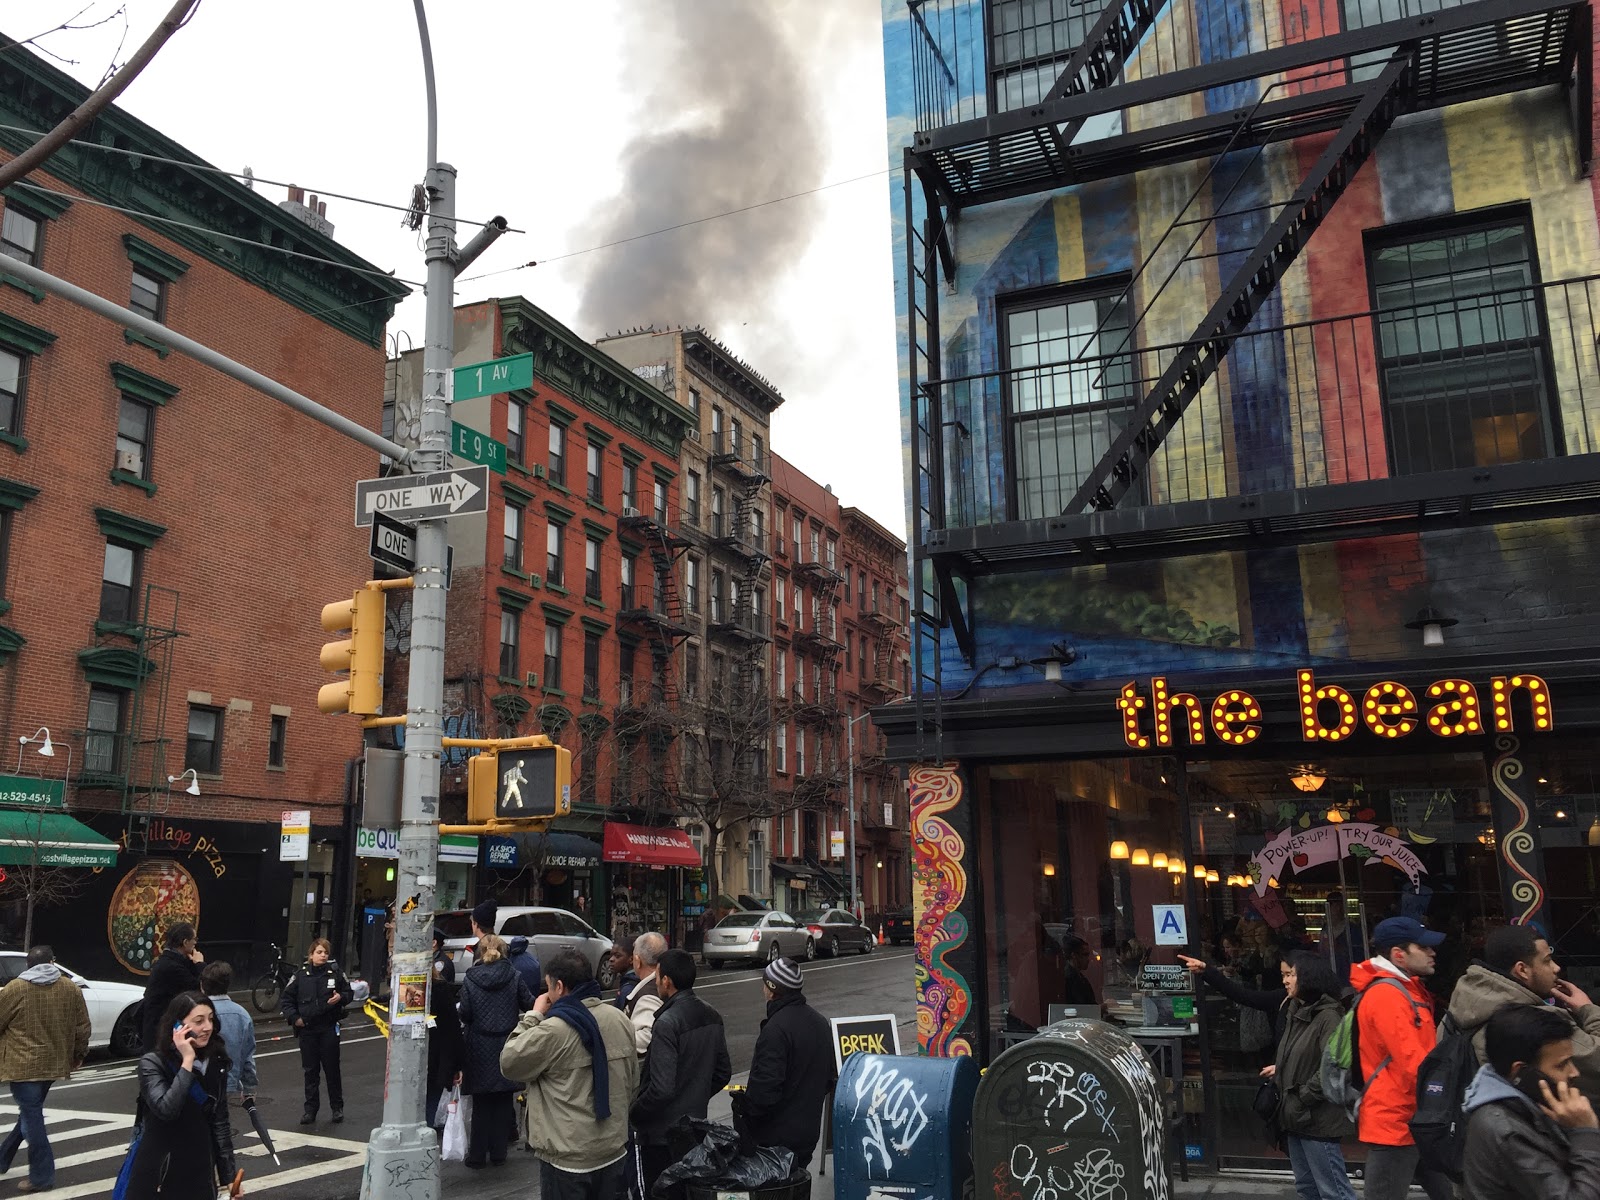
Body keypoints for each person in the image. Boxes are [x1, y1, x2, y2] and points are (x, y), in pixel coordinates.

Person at [500, 949, 640, 1200]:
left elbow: (510, 1062)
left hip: (568, 1158)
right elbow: (633, 1081)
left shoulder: (554, 1029)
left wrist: (533, 1015)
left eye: (549, 986)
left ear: (560, 986)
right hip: (612, 1149)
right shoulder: (619, 1019)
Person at [1352, 916, 1449, 1200]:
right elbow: (1415, 1064)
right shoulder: (1388, 995)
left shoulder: (1401, 989)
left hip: (1411, 1116)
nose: (1433, 953)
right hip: (1396, 1121)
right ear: (1398, 954)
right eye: (1424, 947)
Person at [1461, 1004, 1600, 1200]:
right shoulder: (1505, 1130)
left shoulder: (1537, 1105)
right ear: (1522, 1072)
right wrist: (1585, 1132)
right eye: (1561, 1065)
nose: (1574, 1073)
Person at [1449, 925, 1600, 1104]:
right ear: (1522, 970)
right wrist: (1588, 1009)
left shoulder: (1456, 1012)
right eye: (1547, 961)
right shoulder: (1538, 1020)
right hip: (1537, 1126)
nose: (1556, 968)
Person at [632, 949, 732, 1194]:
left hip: (661, 1135)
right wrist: (697, 1095)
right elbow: (723, 1072)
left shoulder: (667, 1023)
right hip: (694, 1129)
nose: (656, 983)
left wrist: (635, 1113)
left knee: (659, 1191)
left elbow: (661, 1089)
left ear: (667, 981)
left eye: (657, 977)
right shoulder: (711, 1014)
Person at [127, 992, 239, 1200]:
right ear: (177, 1026)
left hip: (200, 1167)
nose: (207, 1027)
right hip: (161, 1169)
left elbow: (220, 1121)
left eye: (210, 1019)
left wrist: (228, 1177)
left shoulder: (216, 1062)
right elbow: (166, 1109)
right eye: (199, 1021)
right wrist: (187, 1061)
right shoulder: (152, 1063)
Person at [0, 946, 90, 1193]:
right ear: (52, 962)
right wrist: (78, 1054)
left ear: (28, 965)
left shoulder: (15, 989)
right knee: (31, 1113)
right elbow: (82, 1026)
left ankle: (42, 1176)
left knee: (32, 1117)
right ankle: (3, 1158)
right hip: (54, 1063)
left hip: (22, 1065)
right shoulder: (70, 988)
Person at [1266, 954, 1356, 1200]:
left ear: (1309, 977)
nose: (1285, 981)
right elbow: (1302, 1055)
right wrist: (1281, 1069)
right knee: (1307, 1188)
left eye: (1291, 974)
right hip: (1295, 1117)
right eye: (1284, 975)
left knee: (1333, 1191)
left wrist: (1303, 1097)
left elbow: (1336, 1065)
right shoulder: (1295, 1011)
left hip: (1316, 1118)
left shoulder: (1328, 1017)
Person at [739, 957, 835, 1170]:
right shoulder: (820, 1023)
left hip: (775, 1138)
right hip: (807, 1133)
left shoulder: (776, 1030)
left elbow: (764, 1091)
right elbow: (829, 1078)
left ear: (772, 989)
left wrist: (748, 1121)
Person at [459, 932, 534, 1167]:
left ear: (481, 953)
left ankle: (477, 1154)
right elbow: (529, 1003)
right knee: (503, 1101)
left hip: (479, 1045)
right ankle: (499, 1152)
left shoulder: (471, 978)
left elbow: (466, 1013)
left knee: (481, 1104)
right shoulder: (514, 975)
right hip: (506, 1043)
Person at [279, 937, 352, 1125]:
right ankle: (310, 1110)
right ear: (311, 955)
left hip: (328, 1027)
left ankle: (337, 1108)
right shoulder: (300, 975)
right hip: (308, 1030)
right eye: (319, 952)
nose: (323, 955)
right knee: (310, 1071)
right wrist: (296, 1019)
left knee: (332, 1070)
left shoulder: (334, 973)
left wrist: (340, 998)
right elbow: (286, 1000)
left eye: (326, 952)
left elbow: (349, 993)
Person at [200, 962, 258, 1108]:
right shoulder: (242, 1015)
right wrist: (249, 1087)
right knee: (221, 1120)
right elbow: (247, 1055)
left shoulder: (196, 1012)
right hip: (228, 1079)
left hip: (198, 1079)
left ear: (202, 985)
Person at [141, 922, 203, 1053]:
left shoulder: (172, 961)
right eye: (194, 939)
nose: (196, 943)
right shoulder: (172, 966)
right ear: (185, 942)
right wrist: (200, 964)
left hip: (163, 1027)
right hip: (160, 1032)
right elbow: (199, 988)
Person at [425, 972, 464, 1134]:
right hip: (437, 1056)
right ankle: (426, 1133)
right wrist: (457, 1065)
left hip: (415, 1058)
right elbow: (452, 1029)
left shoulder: (401, 989)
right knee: (431, 1100)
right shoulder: (441, 989)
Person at [623, 931, 666, 1055]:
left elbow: (647, 1038)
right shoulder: (663, 983)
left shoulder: (648, 994)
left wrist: (618, 1041)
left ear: (637, 960)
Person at [1321, 892, 1366, 978]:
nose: (1337, 909)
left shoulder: (1352, 929)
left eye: (1339, 906)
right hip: (1328, 975)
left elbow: (1358, 955)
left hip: (1347, 977)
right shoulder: (1325, 929)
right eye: (1333, 906)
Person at [1060, 937, 1098, 1008]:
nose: (1088, 959)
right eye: (1085, 955)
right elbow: (1083, 1008)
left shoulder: (1078, 977)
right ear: (1074, 955)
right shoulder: (1070, 979)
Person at [607, 936, 639, 1009]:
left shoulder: (629, 988)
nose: (611, 959)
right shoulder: (626, 982)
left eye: (617, 956)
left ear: (631, 959)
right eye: (611, 955)